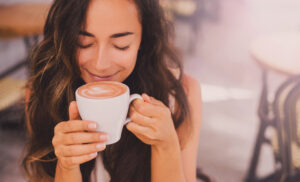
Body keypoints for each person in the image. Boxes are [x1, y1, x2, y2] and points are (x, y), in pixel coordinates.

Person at [22, 0, 202, 181]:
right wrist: (67, 166)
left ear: (143, 39)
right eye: (83, 43)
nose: (100, 65)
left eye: (121, 44)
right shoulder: (43, 94)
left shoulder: (180, 94)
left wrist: (166, 147)